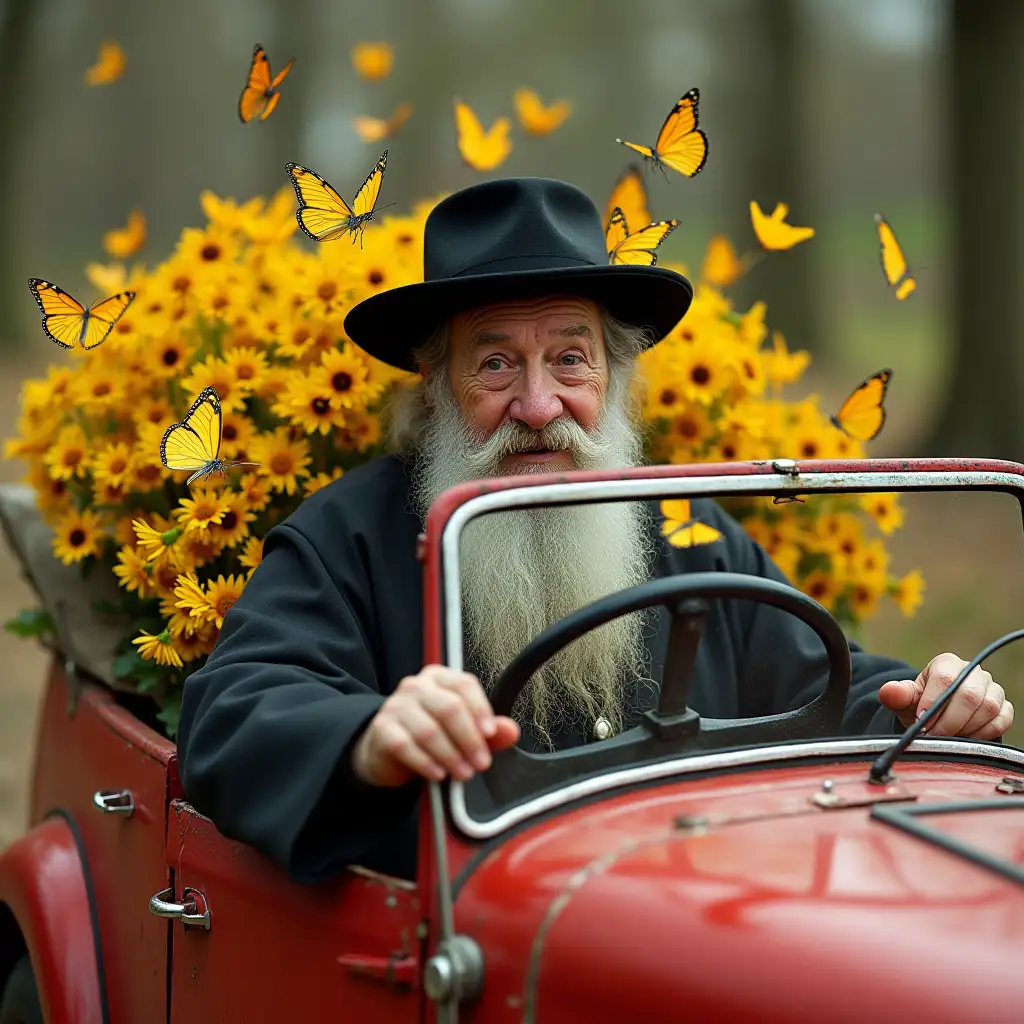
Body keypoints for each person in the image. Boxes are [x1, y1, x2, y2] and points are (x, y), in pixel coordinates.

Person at [177, 177, 1014, 884]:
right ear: (434, 384)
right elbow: (232, 714)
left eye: (570, 359)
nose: (539, 407)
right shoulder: (346, 539)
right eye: (496, 362)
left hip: (697, 927)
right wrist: (367, 739)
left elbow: (823, 688)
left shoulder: (688, 531)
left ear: (614, 375)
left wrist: (927, 705)